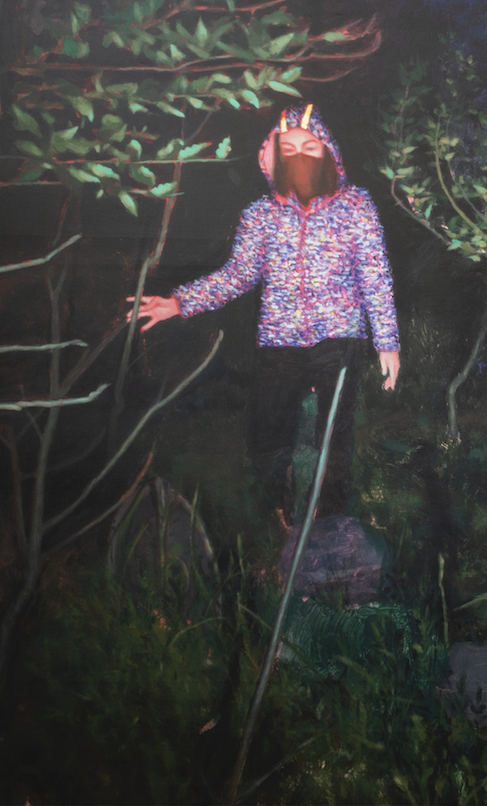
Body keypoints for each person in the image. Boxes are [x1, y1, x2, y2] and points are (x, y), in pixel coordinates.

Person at [130, 102, 400, 522]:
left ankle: (329, 518)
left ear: (328, 151)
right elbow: (237, 275)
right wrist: (179, 303)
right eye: (288, 148)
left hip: (340, 336)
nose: (299, 156)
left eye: (309, 147)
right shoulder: (260, 216)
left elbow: (375, 277)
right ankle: (282, 505)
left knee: (335, 433)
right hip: (278, 339)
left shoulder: (356, 207)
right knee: (266, 436)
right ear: (273, 156)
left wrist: (387, 343)